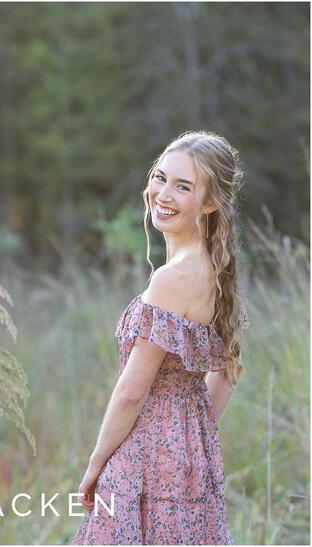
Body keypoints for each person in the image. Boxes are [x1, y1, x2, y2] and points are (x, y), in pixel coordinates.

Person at [72, 131, 249, 544]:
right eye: (160, 177)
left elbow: (133, 391)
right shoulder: (217, 271)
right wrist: (190, 434)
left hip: (144, 456)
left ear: (210, 203)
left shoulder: (171, 279)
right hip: (191, 458)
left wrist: (96, 464)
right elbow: (227, 375)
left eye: (183, 187)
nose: (163, 194)